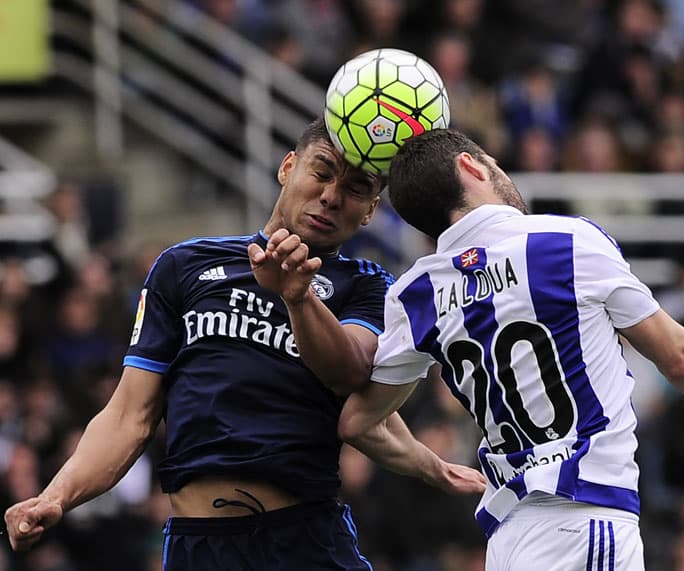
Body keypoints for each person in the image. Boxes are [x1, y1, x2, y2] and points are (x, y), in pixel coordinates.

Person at [337, 128, 684, 570]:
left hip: (507, 541)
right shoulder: (564, 242)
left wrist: (434, 468)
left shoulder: (414, 293)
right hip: (586, 518)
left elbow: (359, 423)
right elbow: (679, 357)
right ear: (472, 165)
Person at [3, 118, 485, 570]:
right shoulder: (184, 266)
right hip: (200, 546)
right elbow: (129, 415)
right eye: (322, 171)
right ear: (287, 166)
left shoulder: (366, 285)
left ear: (370, 212)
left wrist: (297, 298)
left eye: (357, 190)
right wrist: (57, 495)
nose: (332, 196)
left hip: (303, 539)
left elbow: (353, 377)